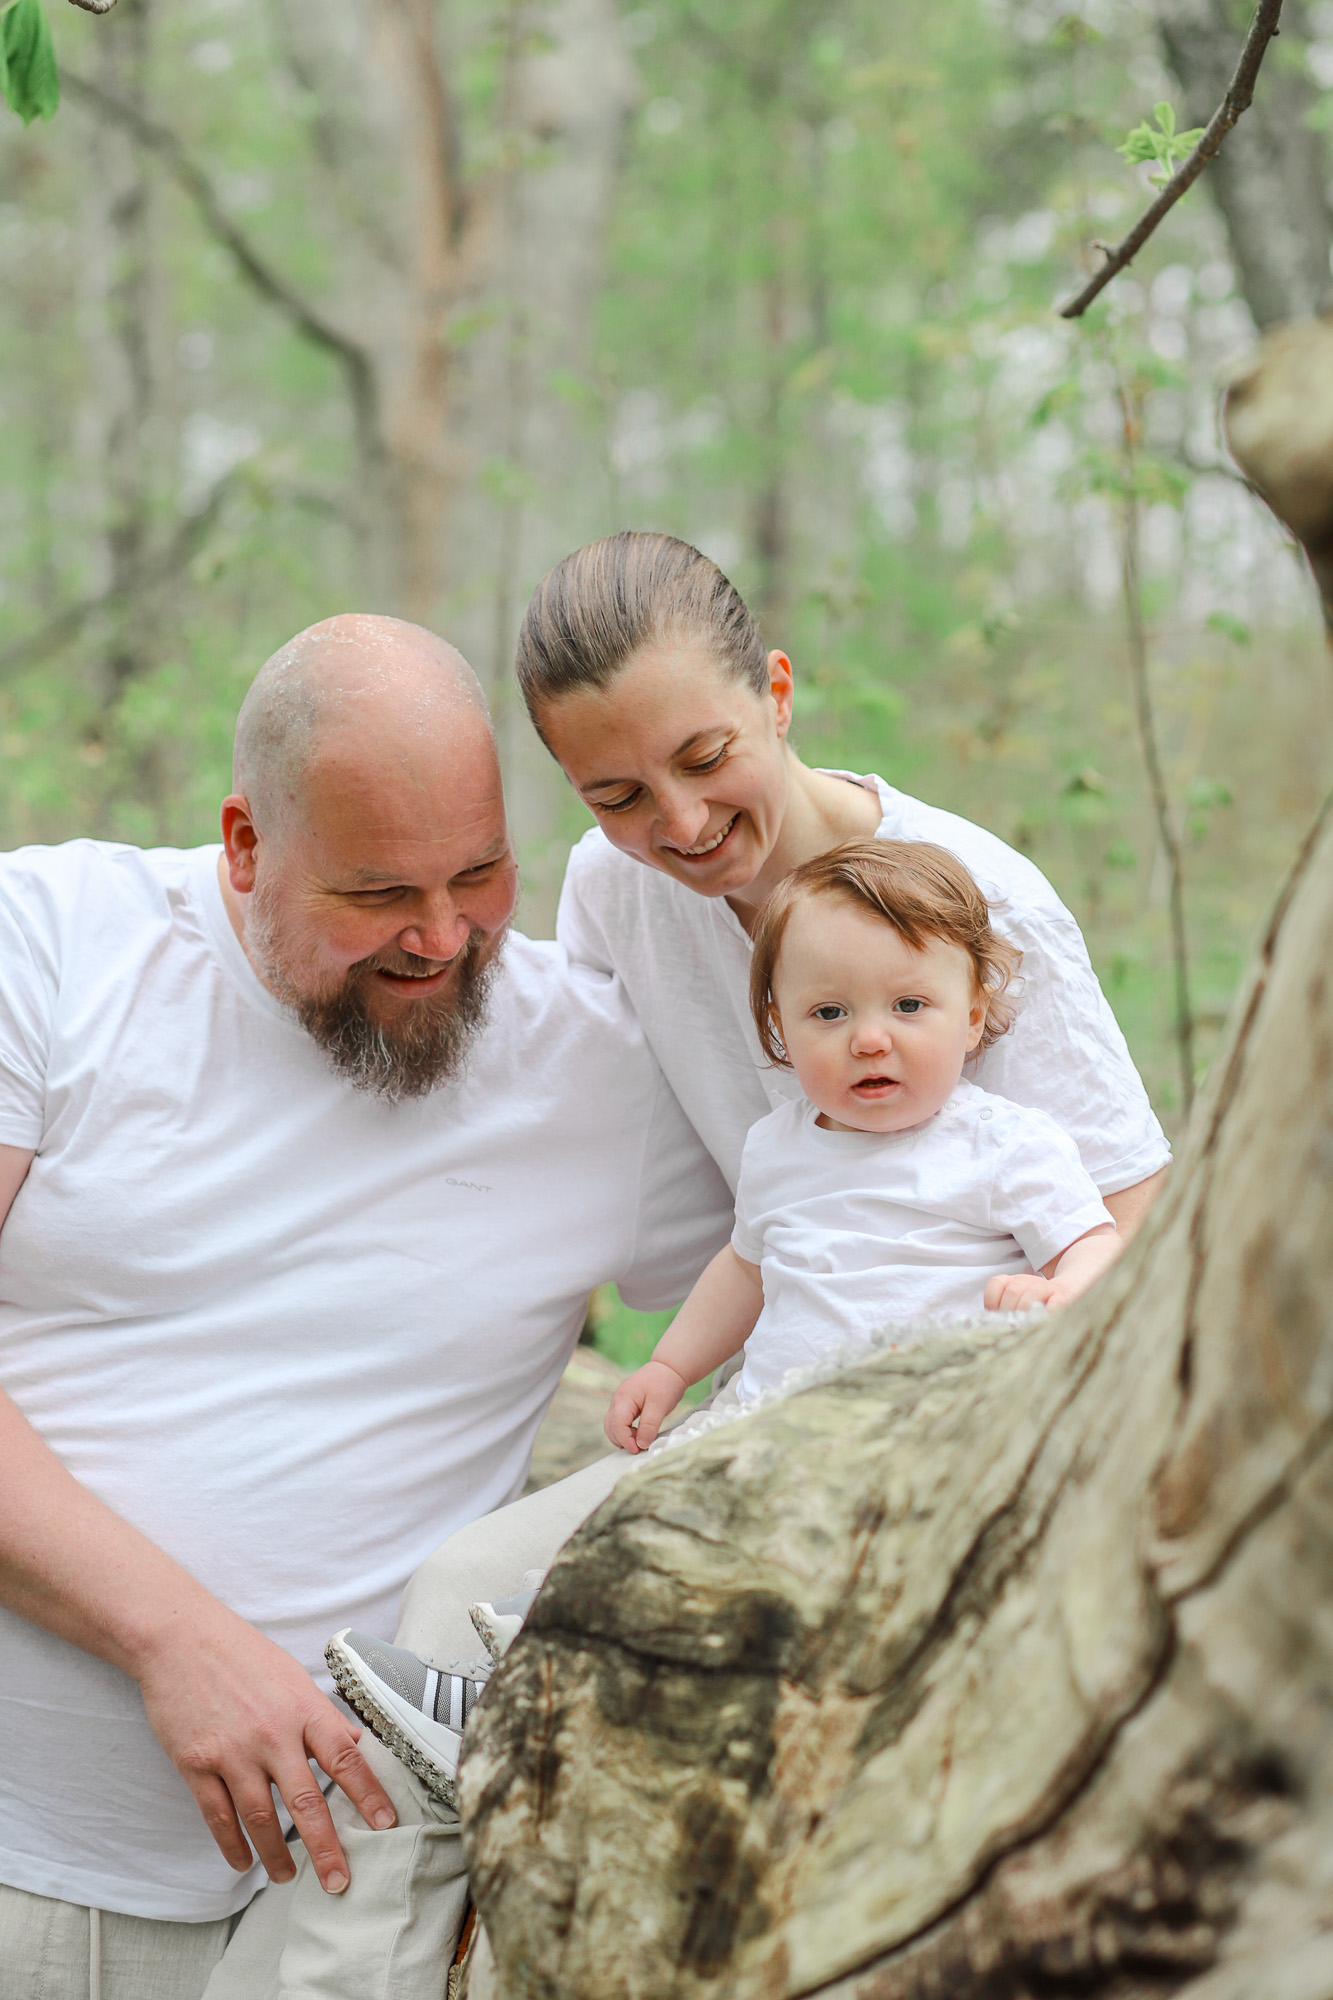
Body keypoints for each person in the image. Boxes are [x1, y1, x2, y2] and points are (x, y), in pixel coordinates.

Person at [0, 614, 732, 1999]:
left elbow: (840, 1272)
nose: (442, 938)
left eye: (480, 873)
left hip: (369, 1922)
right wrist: (175, 1639)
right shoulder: (47, 947)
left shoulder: (597, 1063)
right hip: (32, 1879)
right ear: (242, 844)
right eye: (376, 892)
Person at [605, 837, 1122, 1452]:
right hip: (769, 1424)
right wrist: (670, 1368)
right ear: (779, 1027)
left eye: (909, 1005)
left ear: (974, 1017)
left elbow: (1095, 1242)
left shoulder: (1000, 1145)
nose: (870, 1040)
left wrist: (1063, 1292)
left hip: (931, 1432)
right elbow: (745, 1271)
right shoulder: (776, 1146)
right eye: (829, 1013)